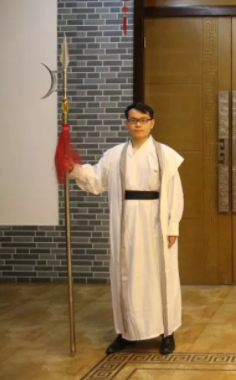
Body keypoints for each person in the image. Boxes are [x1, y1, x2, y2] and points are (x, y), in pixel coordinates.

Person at [69, 102, 184, 355]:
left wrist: (172, 225)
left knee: (159, 274)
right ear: (126, 123)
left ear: (152, 123)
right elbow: (96, 180)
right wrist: (74, 170)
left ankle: (166, 332)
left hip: (155, 222)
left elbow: (175, 193)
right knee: (126, 274)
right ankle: (126, 332)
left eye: (143, 120)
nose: (138, 124)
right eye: (133, 120)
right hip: (124, 222)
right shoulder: (114, 155)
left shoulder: (165, 155)